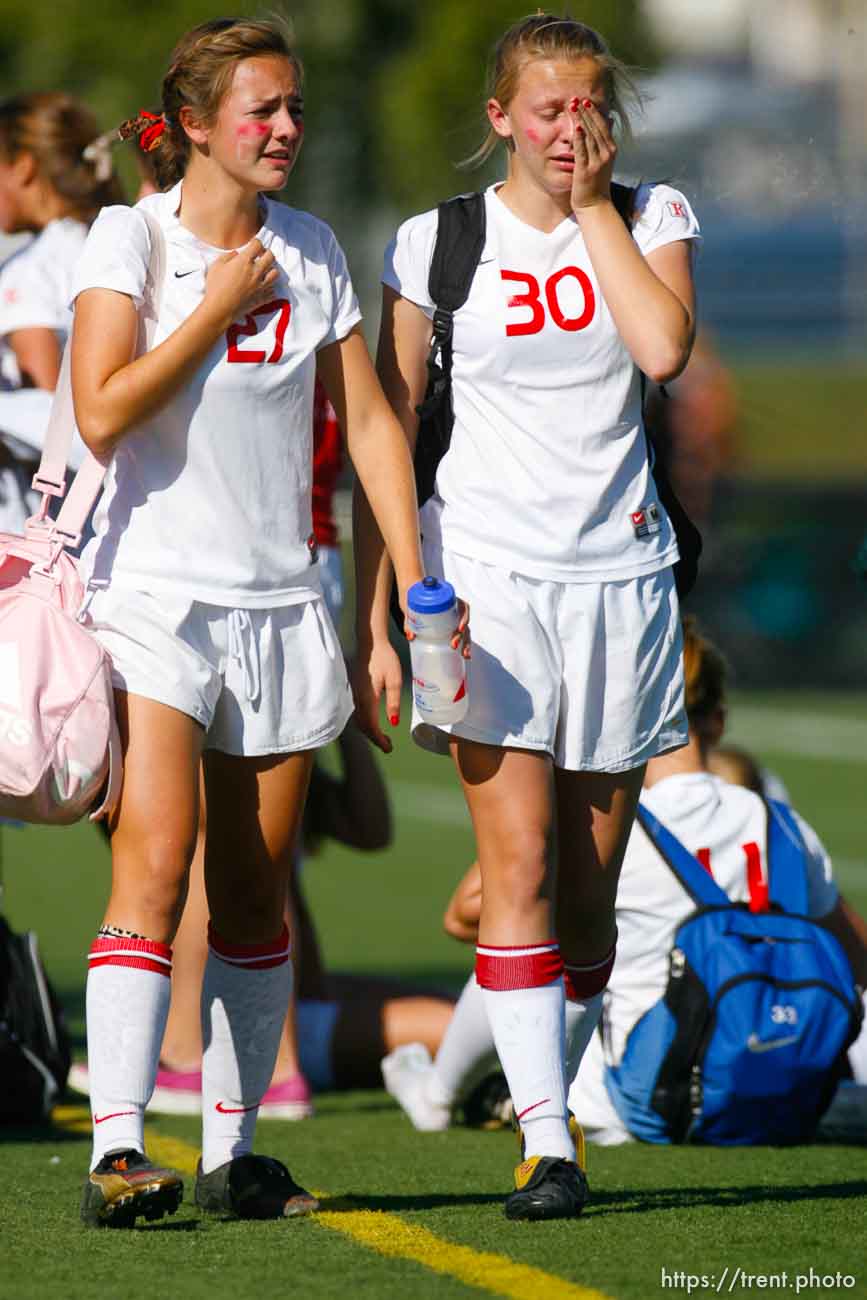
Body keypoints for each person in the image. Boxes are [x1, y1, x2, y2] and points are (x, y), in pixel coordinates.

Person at [69, 17, 424, 1228]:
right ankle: (119, 1149)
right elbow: (103, 407)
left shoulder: (316, 247)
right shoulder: (133, 236)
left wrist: (403, 606)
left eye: (295, 109)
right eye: (264, 109)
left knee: (259, 892)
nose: (286, 129)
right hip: (157, 596)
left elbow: (372, 429)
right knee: (157, 865)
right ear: (200, 123)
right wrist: (214, 305)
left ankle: (235, 1153)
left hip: (287, 605)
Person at [354, 13, 700, 1220]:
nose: (573, 129)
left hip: (620, 582)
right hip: (487, 584)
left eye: (590, 106)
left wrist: (596, 205)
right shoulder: (435, 244)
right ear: (500, 116)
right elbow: (385, 428)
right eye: (548, 110)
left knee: (590, 889)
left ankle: (550, 1070)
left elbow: (662, 348)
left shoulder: (652, 216)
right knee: (519, 863)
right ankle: (549, 1142)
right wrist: (384, 608)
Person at [0, 92, 124, 533]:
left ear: (24, 167)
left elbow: (51, 417)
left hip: (60, 520)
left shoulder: (32, 270)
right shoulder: (114, 239)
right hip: (124, 500)